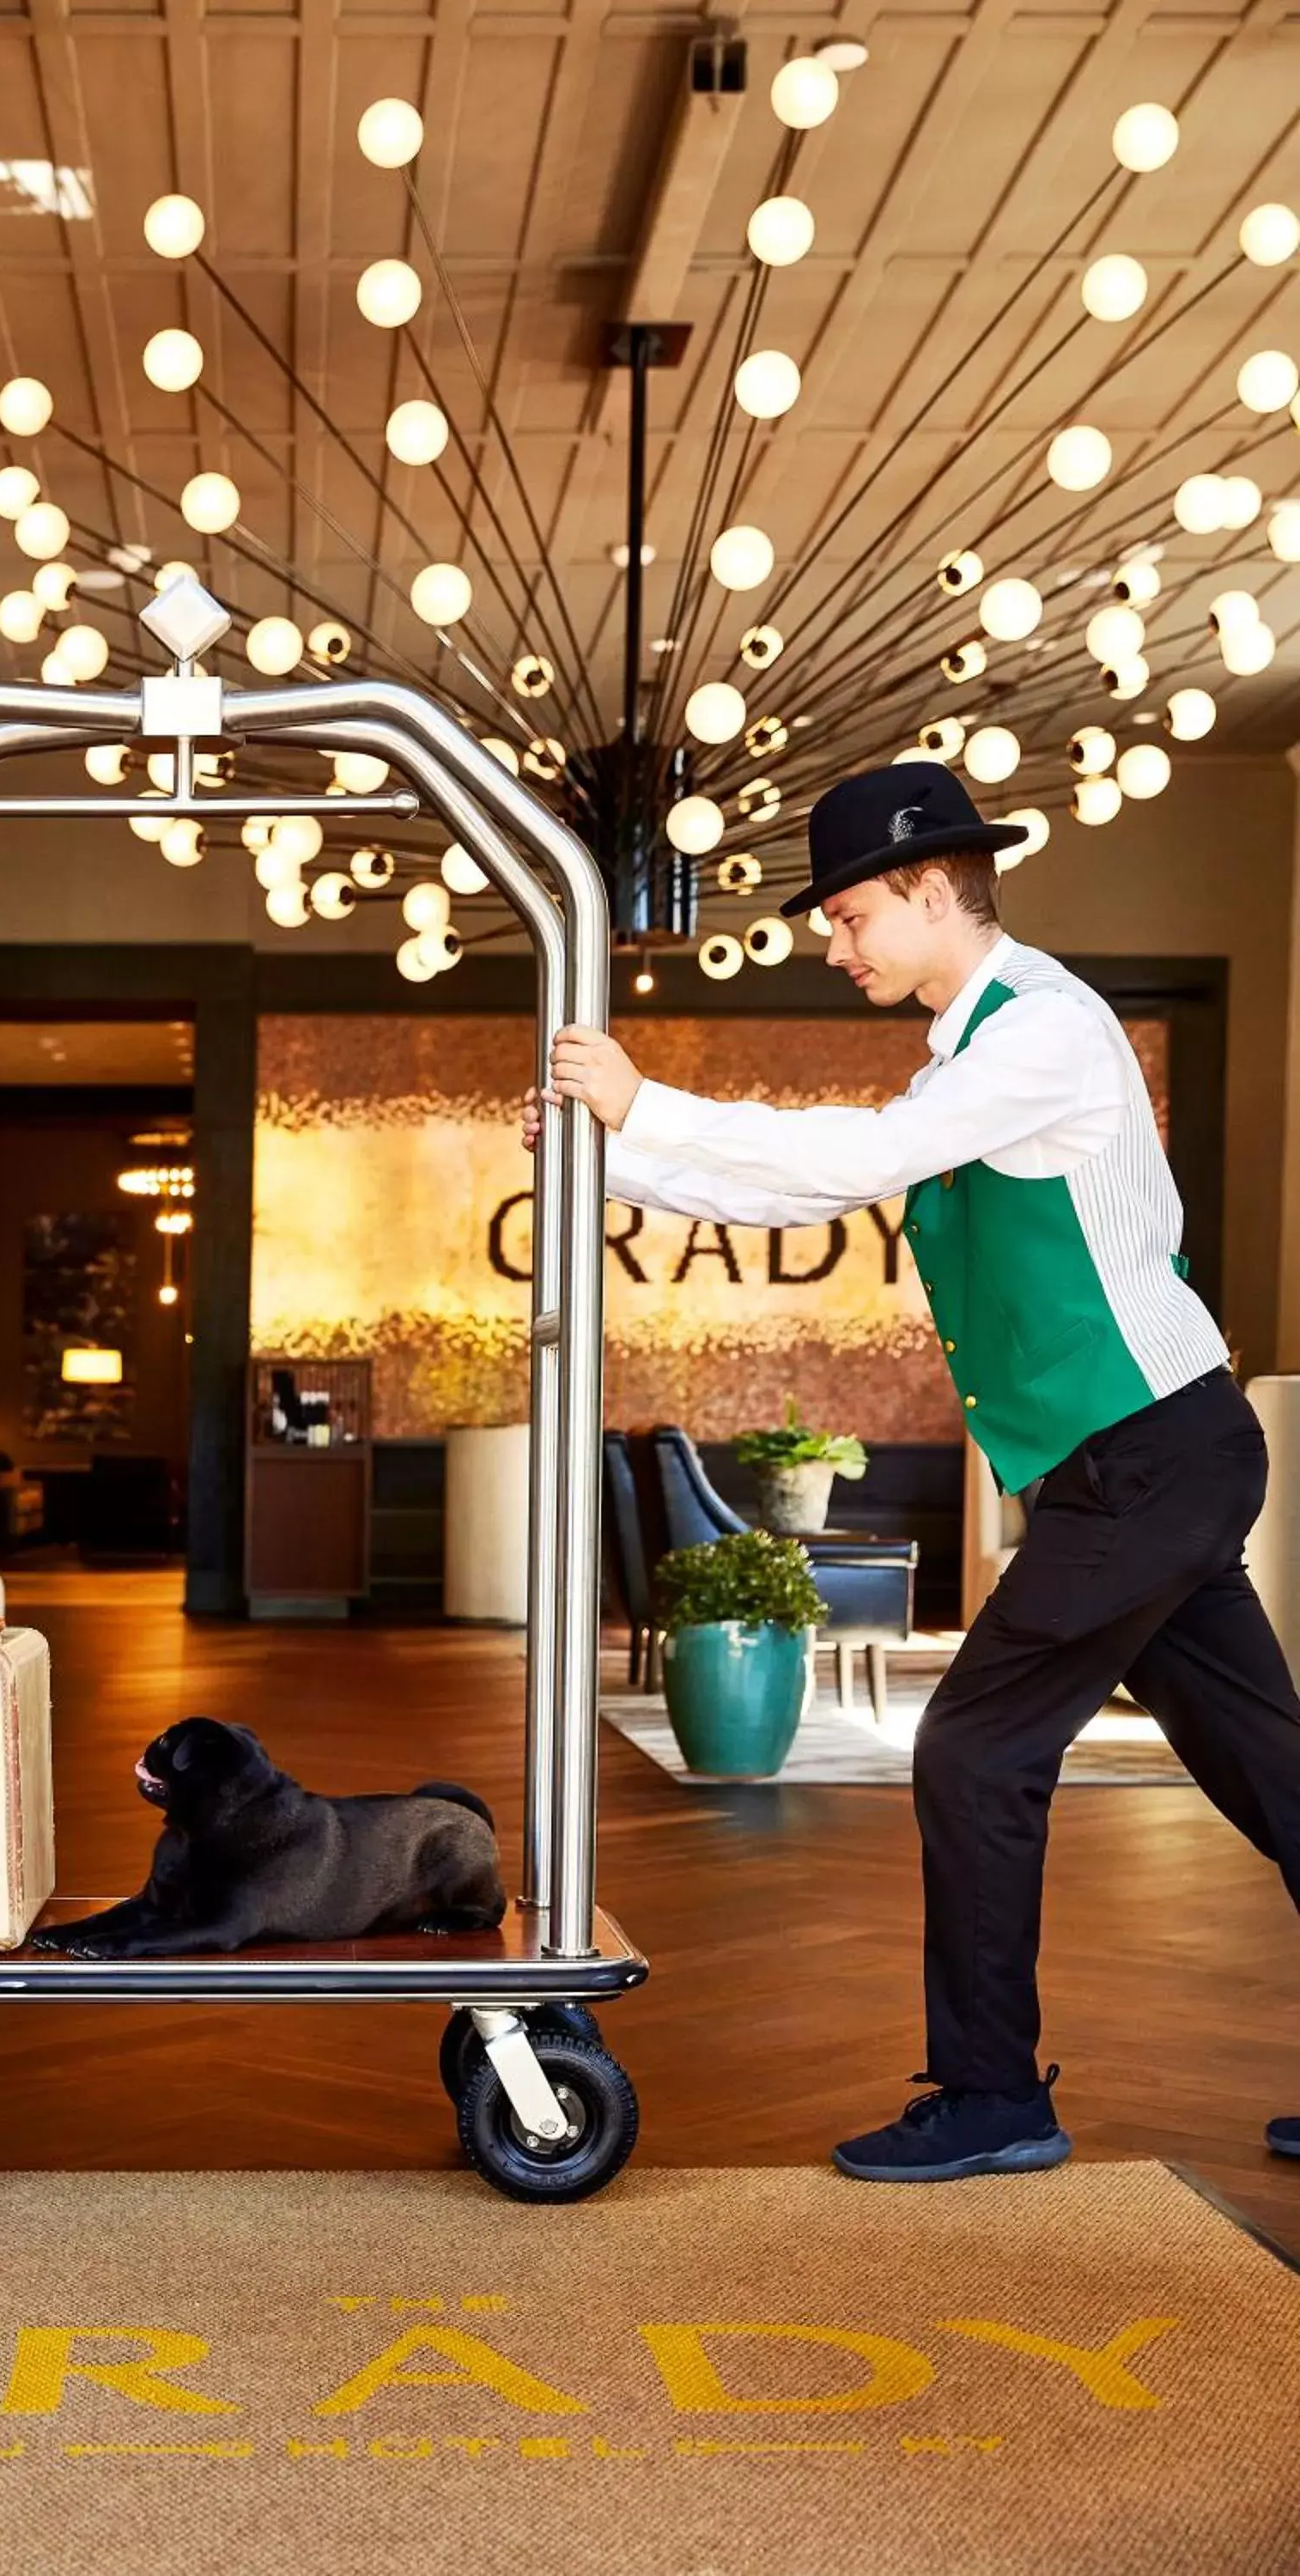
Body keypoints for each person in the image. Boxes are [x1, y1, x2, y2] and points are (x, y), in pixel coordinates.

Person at [527, 758, 1300, 2183]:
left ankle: (996, 2098)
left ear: (930, 890)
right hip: (1145, 1460)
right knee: (1271, 1768)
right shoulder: (974, 1045)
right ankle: (996, 2095)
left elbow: (850, 1162)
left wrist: (643, 1107)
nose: (831, 942)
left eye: (847, 914)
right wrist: (617, 1162)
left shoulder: (1044, 1034)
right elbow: (810, 1181)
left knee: (974, 1748)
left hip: (1149, 1457)